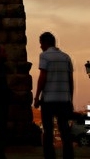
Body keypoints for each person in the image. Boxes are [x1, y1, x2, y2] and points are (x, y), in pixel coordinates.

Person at [33, 31, 74, 159]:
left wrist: (37, 96)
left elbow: (43, 77)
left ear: (45, 43)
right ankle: (68, 156)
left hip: (49, 100)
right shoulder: (66, 57)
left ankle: (50, 156)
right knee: (65, 130)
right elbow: (70, 80)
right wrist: (70, 98)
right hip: (64, 100)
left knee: (48, 131)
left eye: (41, 44)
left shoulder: (44, 56)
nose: (40, 46)